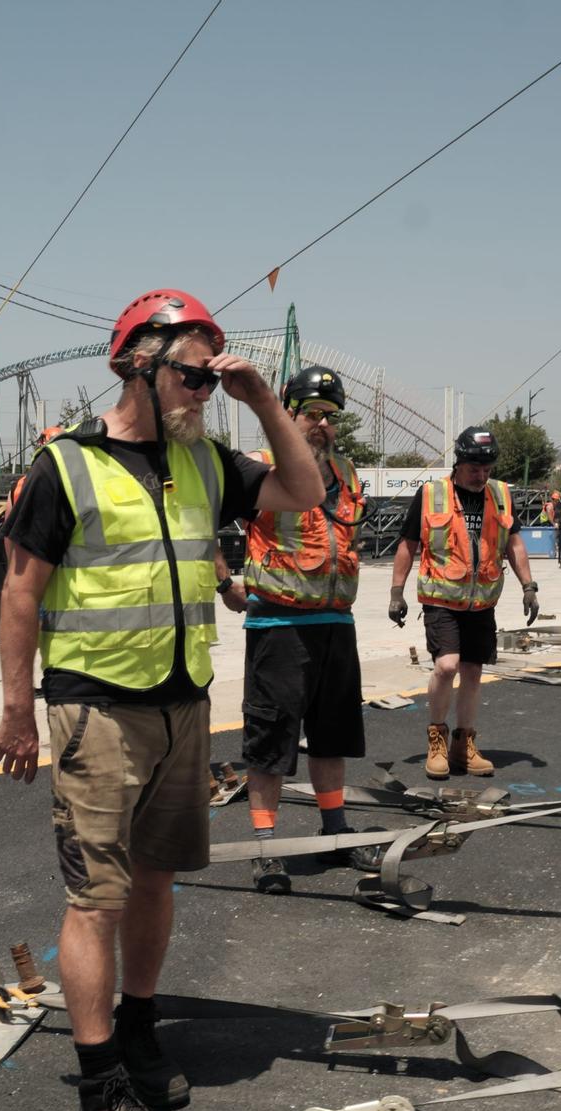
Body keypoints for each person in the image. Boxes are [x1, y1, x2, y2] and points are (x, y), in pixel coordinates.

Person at [0, 289, 324, 1111]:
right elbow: (21, 590)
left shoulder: (207, 461)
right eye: (191, 374)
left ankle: (136, 1026)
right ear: (135, 365)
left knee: (157, 879)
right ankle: (98, 1086)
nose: (202, 392)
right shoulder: (65, 465)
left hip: (182, 704)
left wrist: (259, 399)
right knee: (95, 898)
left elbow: (306, 486)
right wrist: (17, 710)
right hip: (96, 707)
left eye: (213, 380)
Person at [220, 366, 377, 895]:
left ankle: (335, 831)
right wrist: (225, 584)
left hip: (336, 623)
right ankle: (266, 849)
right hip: (279, 625)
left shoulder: (348, 472)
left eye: (330, 416)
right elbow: (198, 523)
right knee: (271, 743)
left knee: (331, 738)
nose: (322, 423)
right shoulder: (260, 468)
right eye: (311, 412)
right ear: (286, 412)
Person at [389, 426, 539, 781]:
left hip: (482, 603)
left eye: (487, 469)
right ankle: (437, 739)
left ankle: (463, 745)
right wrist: (397, 593)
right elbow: (407, 545)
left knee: (473, 672)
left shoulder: (500, 495)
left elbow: (513, 544)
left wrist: (528, 586)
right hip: (442, 600)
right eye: (475, 469)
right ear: (459, 463)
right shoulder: (430, 494)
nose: (481, 475)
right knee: (447, 666)